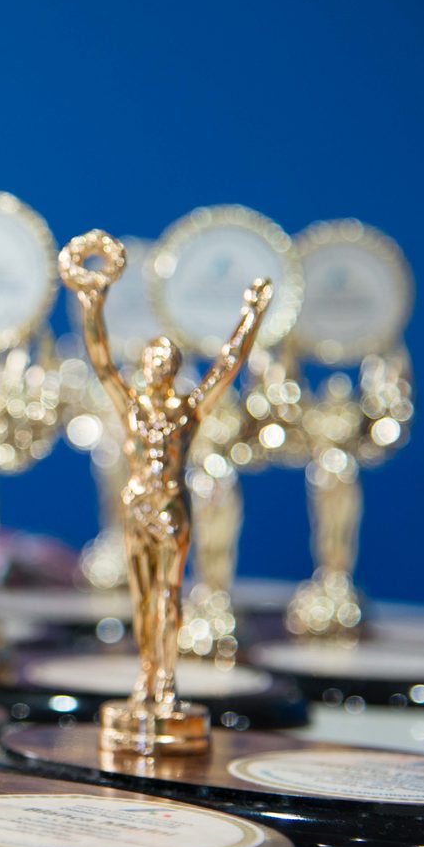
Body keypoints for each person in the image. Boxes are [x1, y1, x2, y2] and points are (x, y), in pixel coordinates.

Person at [61, 229, 272, 743]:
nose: (156, 366)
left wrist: (251, 315)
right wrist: (92, 304)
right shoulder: (131, 408)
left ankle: (168, 682)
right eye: (151, 360)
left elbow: (227, 366)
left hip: (172, 507)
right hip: (137, 506)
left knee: (169, 597)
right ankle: (145, 677)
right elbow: (101, 359)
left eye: (164, 361)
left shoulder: (187, 411)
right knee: (140, 599)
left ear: (173, 368)